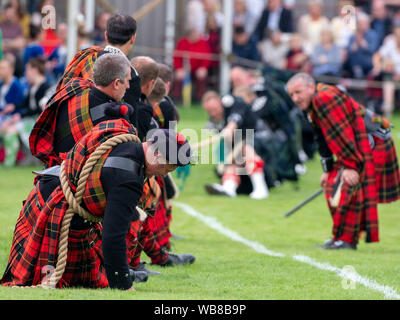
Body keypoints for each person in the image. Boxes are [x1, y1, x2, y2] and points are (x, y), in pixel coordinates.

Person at [1, 119, 193, 289]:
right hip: (53, 208)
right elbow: (113, 236)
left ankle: (121, 272)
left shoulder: (123, 135)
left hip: (49, 193)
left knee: (91, 273)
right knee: (47, 276)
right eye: (170, 166)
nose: (166, 173)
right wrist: (123, 284)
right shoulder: (128, 179)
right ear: (158, 155)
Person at [286, 72, 400, 250]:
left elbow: (344, 134)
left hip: (374, 143)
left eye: (298, 92)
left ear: (311, 87)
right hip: (358, 146)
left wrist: (349, 166)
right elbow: (322, 138)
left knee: (350, 189)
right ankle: (339, 237)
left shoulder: (324, 98)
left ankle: (346, 240)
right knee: (332, 184)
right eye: (292, 94)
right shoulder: (312, 105)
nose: (295, 98)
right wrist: (327, 169)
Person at [56, 14, 141, 113]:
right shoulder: (131, 74)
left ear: (106, 35)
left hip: (72, 119)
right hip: (108, 127)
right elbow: (130, 121)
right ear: (133, 38)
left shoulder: (86, 58)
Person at [202, 90, 270, 199]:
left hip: (261, 142)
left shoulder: (235, 104)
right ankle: (229, 188)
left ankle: (261, 188)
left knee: (245, 149)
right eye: (209, 112)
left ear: (220, 102)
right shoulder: (214, 123)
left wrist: (230, 128)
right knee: (233, 159)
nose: (213, 114)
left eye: (214, 109)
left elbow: (235, 120)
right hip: (241, 154)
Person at [1, 57, 49, 167]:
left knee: (10, 130)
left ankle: (10, 162)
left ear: (34, 70)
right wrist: (14, 106)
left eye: (27, 70)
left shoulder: (45, 88)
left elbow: (39, 110)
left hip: (37, 122)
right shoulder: (33, 87)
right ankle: (17, 159)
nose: (25, 73)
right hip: (29, 119)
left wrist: (20, 115)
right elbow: (25, 104)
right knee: (8, 127)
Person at [172, 28, 212, 103]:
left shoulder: (203, 43)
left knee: (202, 75)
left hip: (198, 68)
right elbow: (176, 57)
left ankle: (200, 99)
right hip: (184, 68)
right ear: (190, 36)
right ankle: (177, 98)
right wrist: (179, 68)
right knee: (178, 76)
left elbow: (207, 57)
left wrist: (203, 67)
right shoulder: (182, 42)